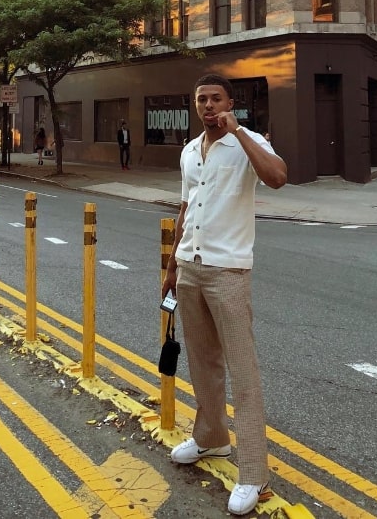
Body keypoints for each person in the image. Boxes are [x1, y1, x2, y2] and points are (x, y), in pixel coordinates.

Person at [162, 73, 287, 517]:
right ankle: (211, 438)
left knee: (243, 373)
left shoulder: (248, 141)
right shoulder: (188, 151)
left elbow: (277, 178)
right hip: (191, 268)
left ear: (230, 103)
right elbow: (185, 206)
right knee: (203, 363)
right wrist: (173, 266)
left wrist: (238, 131)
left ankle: (253, 473)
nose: (209, 105)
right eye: (202, 99)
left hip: (229, 270)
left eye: (216, 99)